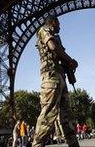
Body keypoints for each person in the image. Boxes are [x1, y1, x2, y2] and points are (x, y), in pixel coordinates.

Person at [32, 15, 79, 147]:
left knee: (66, 117)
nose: (60, 26)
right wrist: (70, 60)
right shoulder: (43, 30)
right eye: (58, 23)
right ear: (53, 22)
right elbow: (52, 47)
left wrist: (68, 65)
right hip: (51, 77)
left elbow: (58, 52)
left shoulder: (57, 37)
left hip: (59, 77)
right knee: (48, 114)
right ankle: (37, 145)